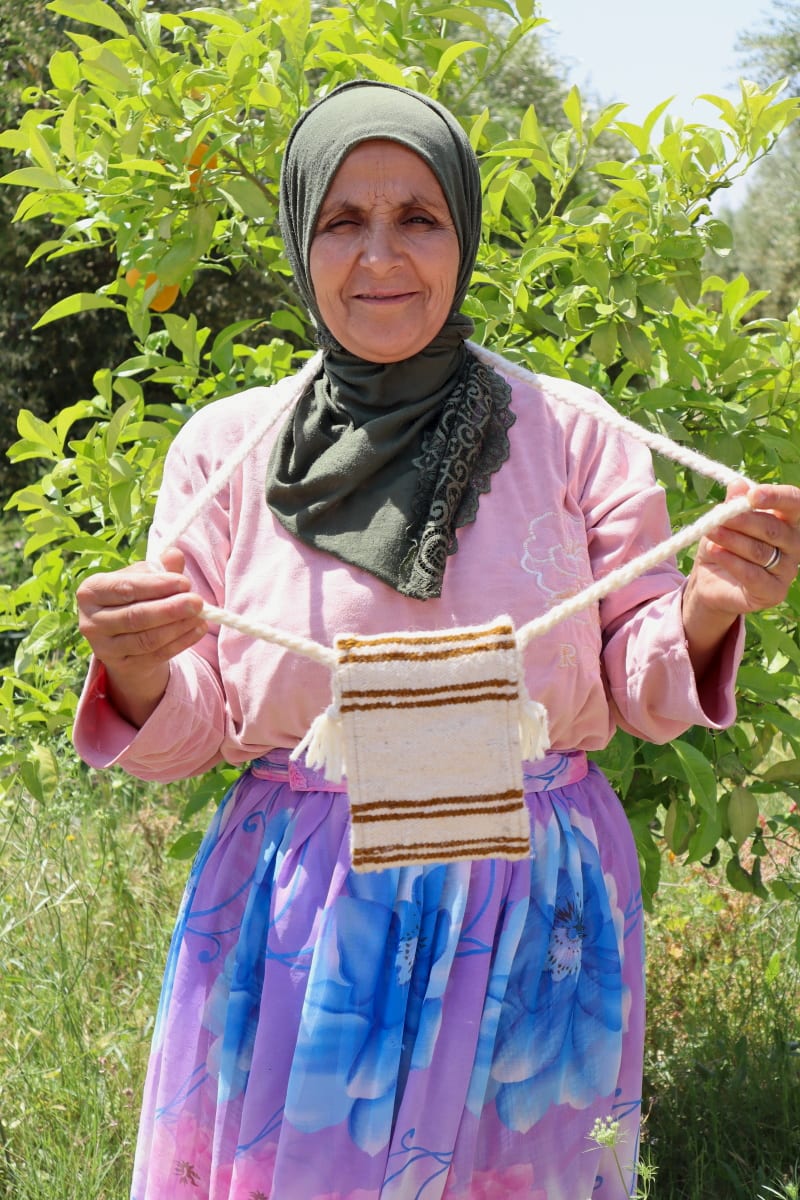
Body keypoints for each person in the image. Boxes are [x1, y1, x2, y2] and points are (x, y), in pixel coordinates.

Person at [74, 81, 800, 1200]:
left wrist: (708, 605)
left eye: (417, 216)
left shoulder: (574, 433)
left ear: (463, 234)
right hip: (308, 910)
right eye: (342, 221)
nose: (381, 256)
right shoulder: (225, 448)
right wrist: (134, 667)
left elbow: (641, 687)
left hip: (533, 905)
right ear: (299, 238)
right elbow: (193, 730)